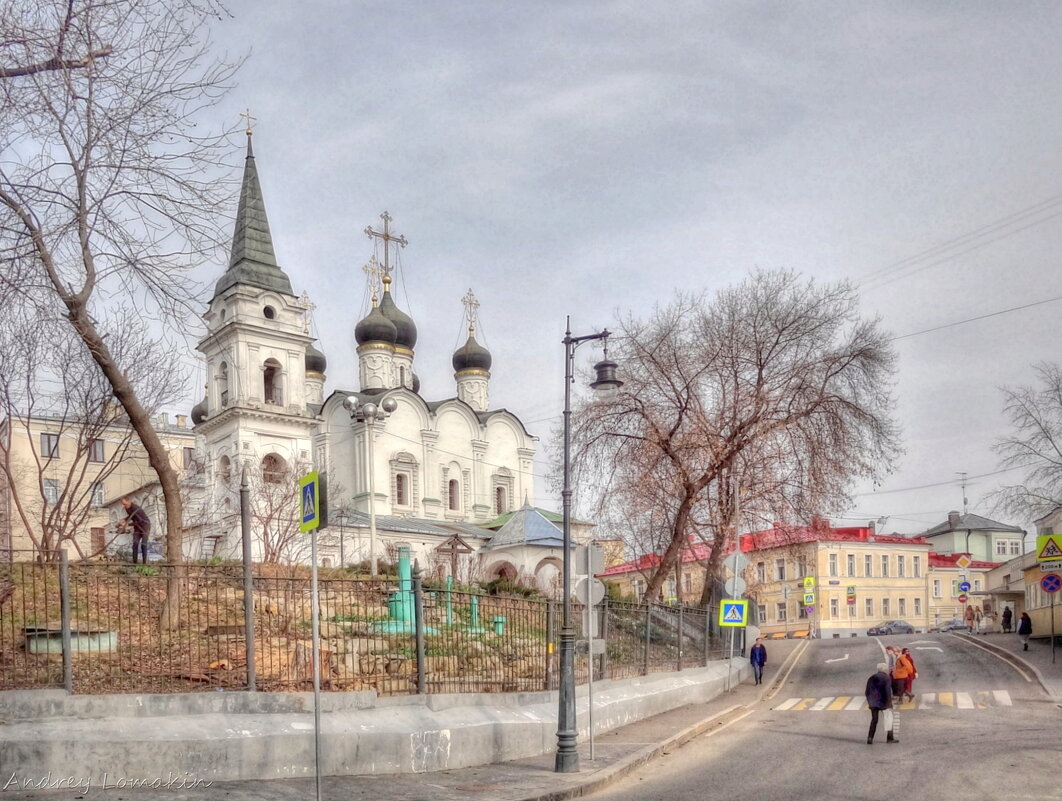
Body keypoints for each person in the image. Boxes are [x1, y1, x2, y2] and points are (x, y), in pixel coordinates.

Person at [865, 662, 896, 744]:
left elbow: (867, 691)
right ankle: (890, 738)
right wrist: (889, 703)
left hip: (873, 702)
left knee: (874, 720)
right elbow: (887, 691)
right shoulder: (886, 678)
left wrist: (870, 701)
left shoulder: (871, 678)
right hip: (883, 702)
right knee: (888, 719)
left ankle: (870, 738)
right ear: (885, 669)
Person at [120, 496, 151, 564]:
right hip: (137, 527)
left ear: (129, 501)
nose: (124, 506)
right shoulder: (127, 508)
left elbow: (139, 521)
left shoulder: (136, 508)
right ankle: (134, 563)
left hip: (145, 526)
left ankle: (144, 563)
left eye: (125, 504)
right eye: (123, 504)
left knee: (143, 544)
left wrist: (127, 525)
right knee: (135, 543)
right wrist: (124, 520)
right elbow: (131, 516)